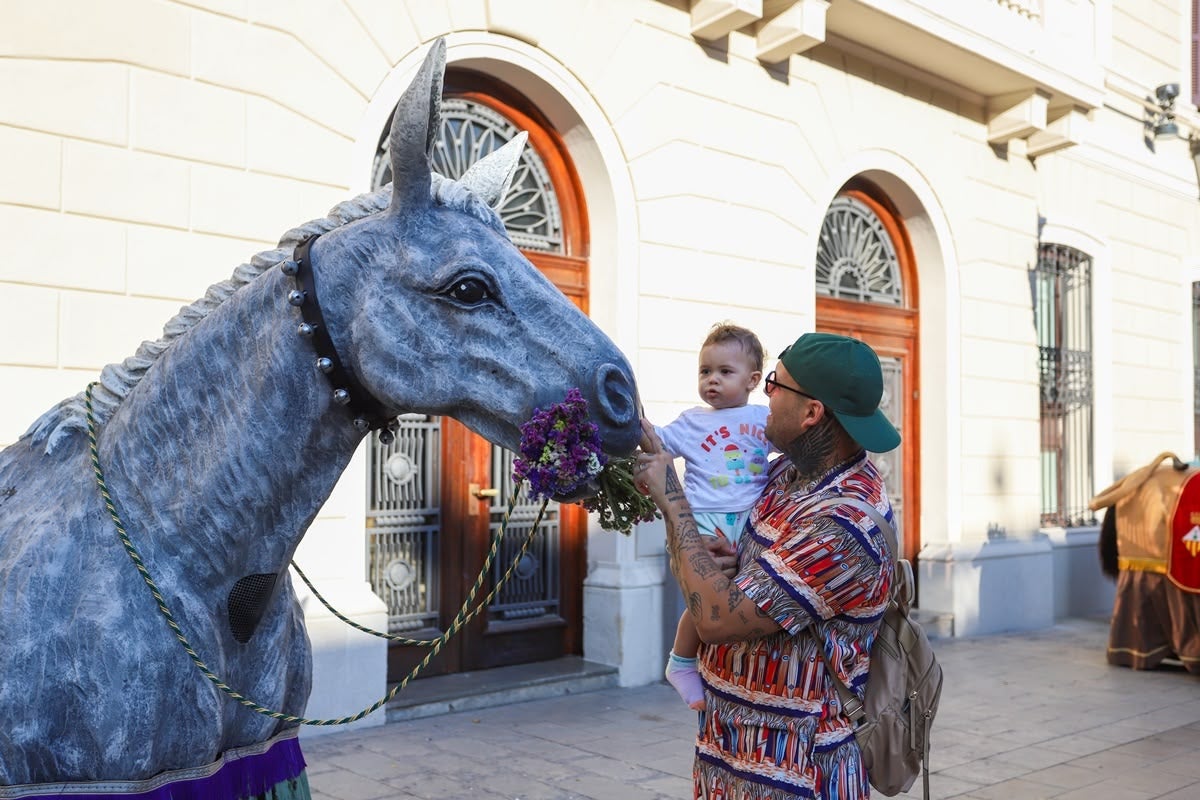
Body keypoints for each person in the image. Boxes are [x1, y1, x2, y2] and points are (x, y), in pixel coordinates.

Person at [636, 332, 901, 800]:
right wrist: (726, 559)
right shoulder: (782, 476)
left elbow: (718, 620)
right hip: (732, 751)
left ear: (812, 412)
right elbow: (754, 581)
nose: (765, 394)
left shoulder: (845, 525)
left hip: (796, 770)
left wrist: (674, 502)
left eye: (775, 384)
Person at [655, 323, 775, 710]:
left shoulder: (763, 418)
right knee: (707, 598)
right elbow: (655, 443)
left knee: (743, 599)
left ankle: (731, 669)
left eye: (725, 372)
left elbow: (797, 448)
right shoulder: (692, 422)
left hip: (752, 520)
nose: (712, 380)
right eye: (705, 371)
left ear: (753, 379)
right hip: (707, 519)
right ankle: (681, 662)